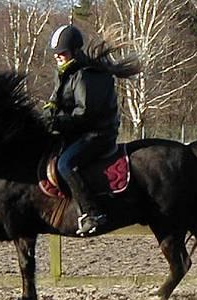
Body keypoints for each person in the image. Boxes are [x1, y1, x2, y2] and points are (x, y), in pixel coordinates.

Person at [42, 24, 140, 236]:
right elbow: (57, 102)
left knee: (66, 164)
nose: (58, 56)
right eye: (56, 53)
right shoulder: (66, 73)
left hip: (98, 134)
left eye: (63, 52)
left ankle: (92, 213)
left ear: (75, 51)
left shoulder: (87, 76)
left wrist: (58, 122)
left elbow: (85, 114)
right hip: (80, 132)